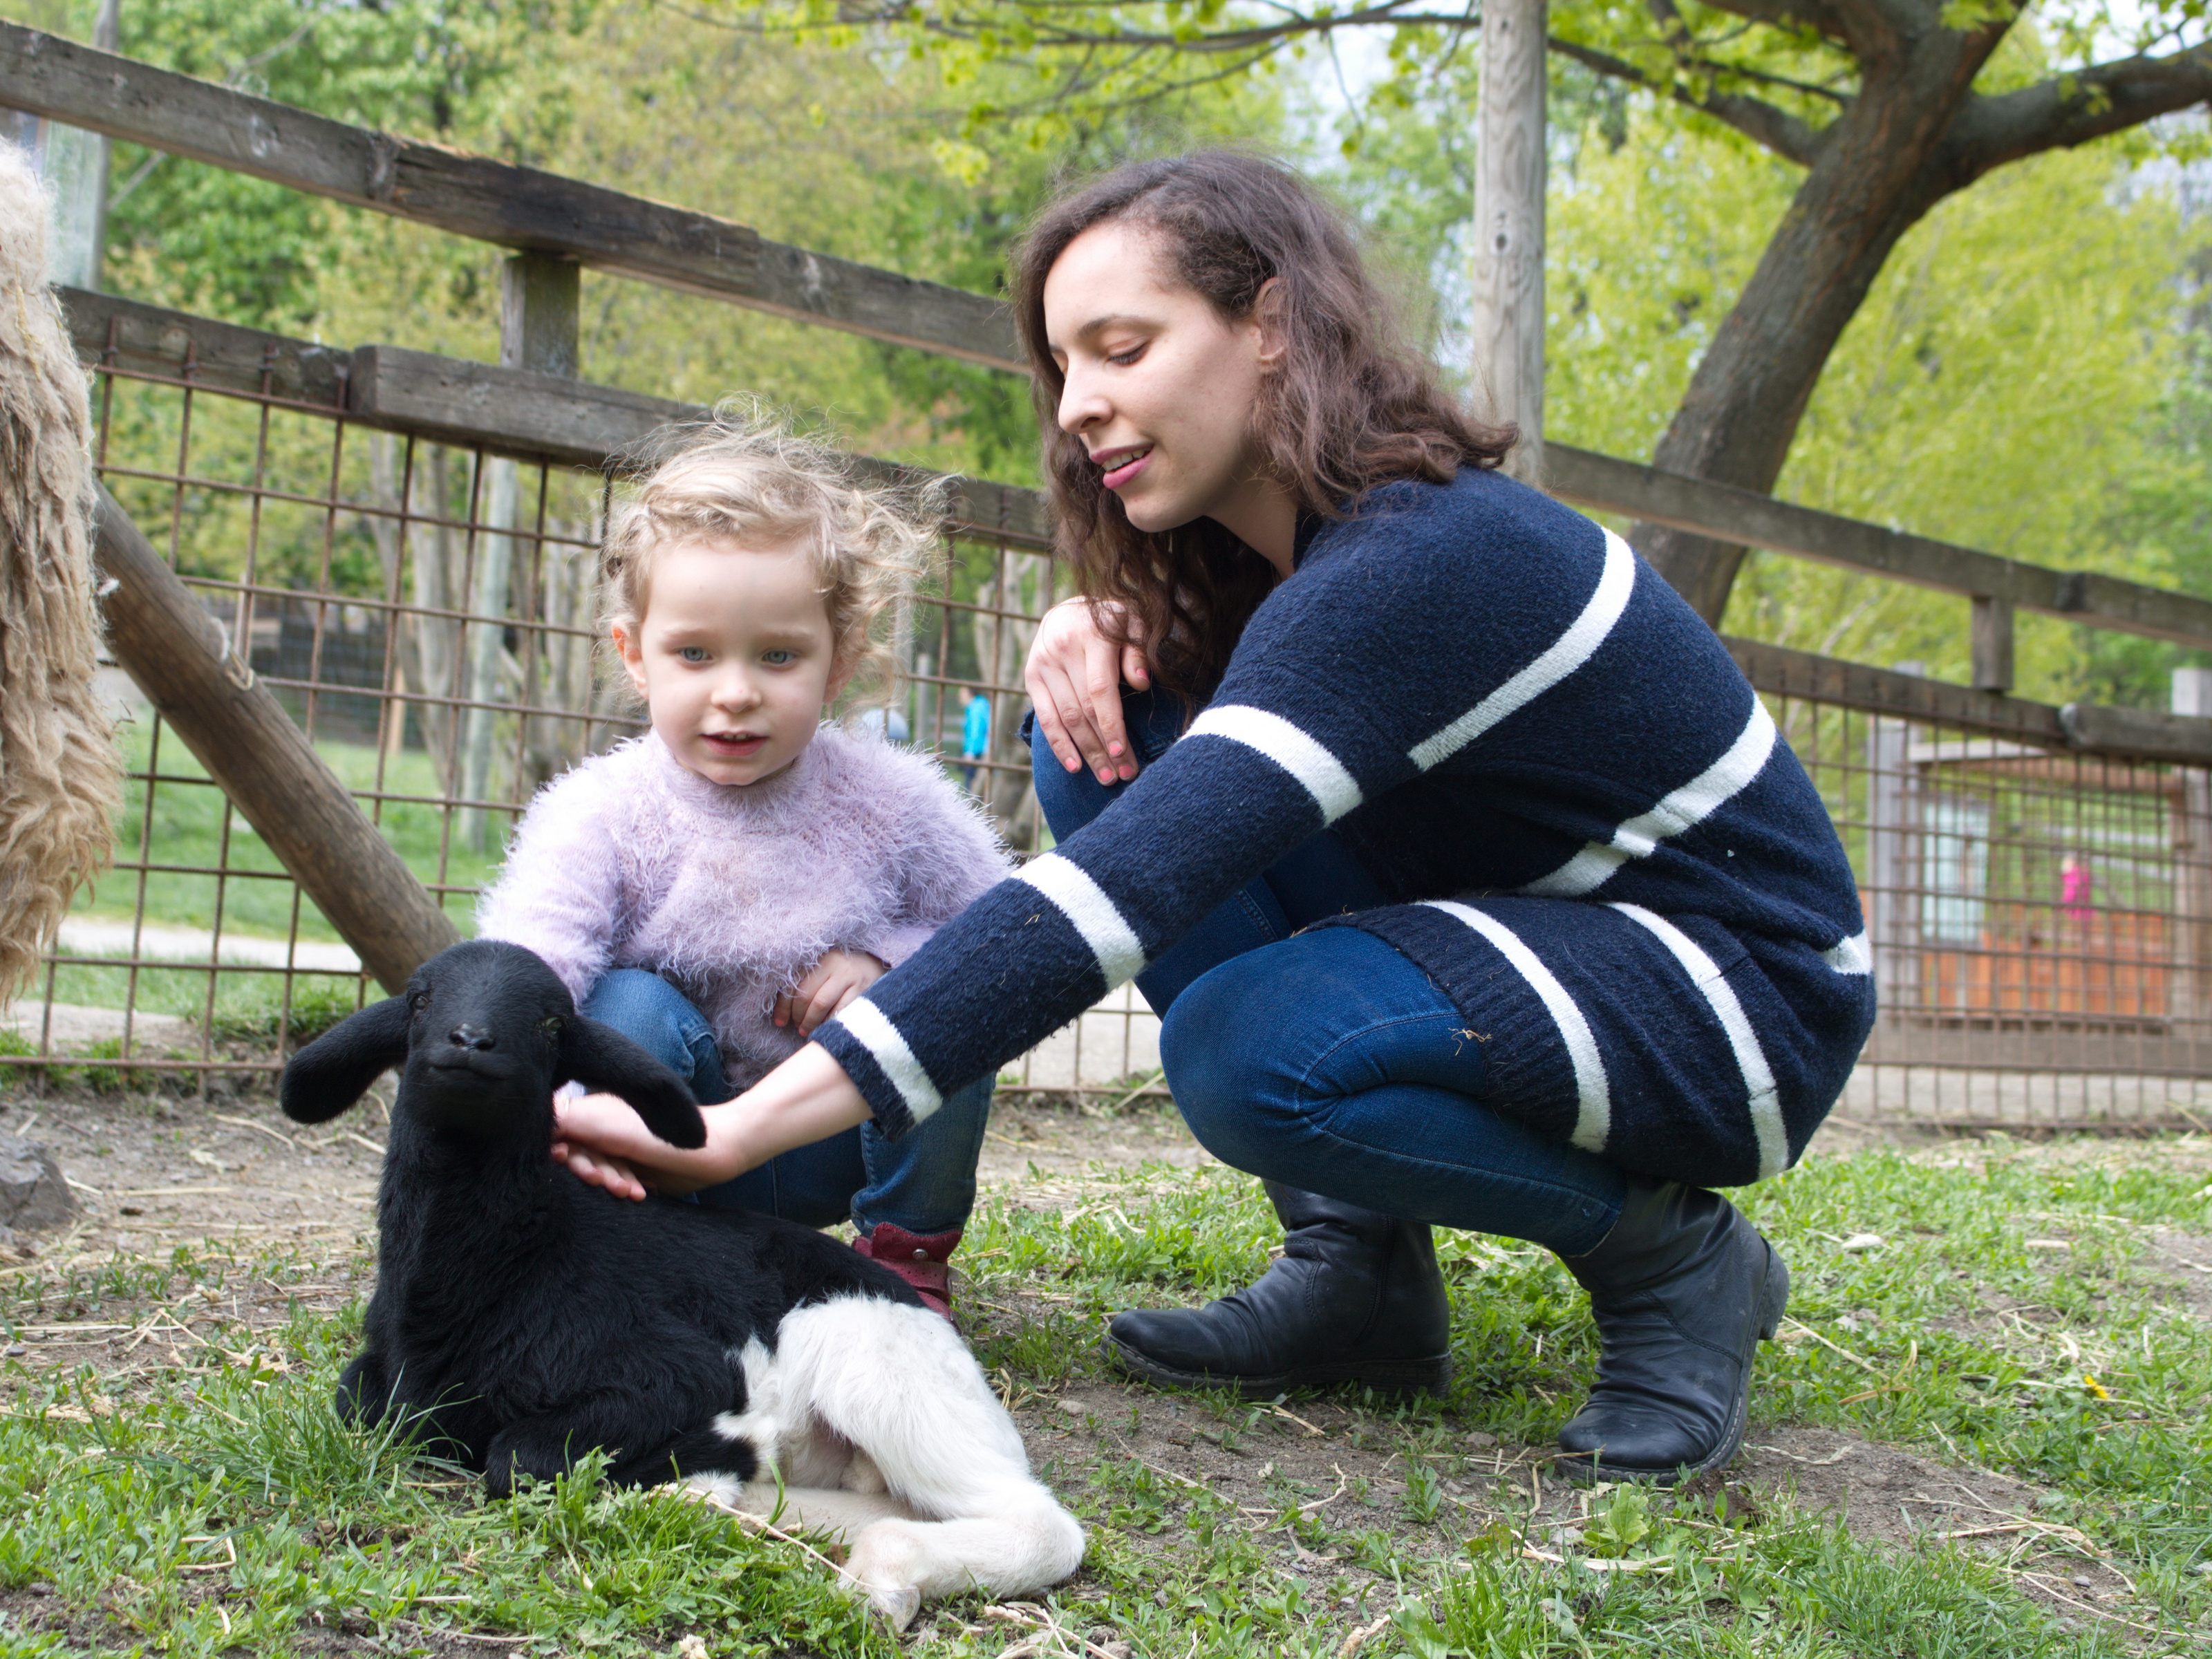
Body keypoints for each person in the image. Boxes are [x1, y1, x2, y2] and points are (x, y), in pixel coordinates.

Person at [552, 153, 1877, 1484]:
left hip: (1738, 995)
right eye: (1063, 366)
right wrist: (1101, 624)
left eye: (1123, 348)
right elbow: (1184, 791)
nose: (1080, 404)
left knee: (1250, 1048)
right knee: (1106, 740)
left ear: (1274, 324)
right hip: (1552, 935)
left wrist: (734, 1132)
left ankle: (1674, 1261)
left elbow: (1119, 894)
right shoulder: (1286, 570)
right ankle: (1359, 1270)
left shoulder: (1424, 561)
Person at [477, 413, 1009, 1315]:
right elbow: (533, 964)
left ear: (838, 661)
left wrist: (889, 961)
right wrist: (521, 1099)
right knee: (625, 1004)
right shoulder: (599, 812)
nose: (735, 692)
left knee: (943, 994)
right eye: (694, 653)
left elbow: (1006, 935)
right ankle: (624, 1248)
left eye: (778, 656)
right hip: (661, 1142)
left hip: (835, 1136)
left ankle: (902, 1260)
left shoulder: (889, 799)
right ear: (634, 655)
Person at [960, 687, 993, 789]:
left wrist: (970, 752)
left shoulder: (976, 709)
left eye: (962, 693)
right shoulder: (980, 706)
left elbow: (976, 731)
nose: (960, 697)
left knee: (970, 785)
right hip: (981, 750)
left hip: (977, 752)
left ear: (969, 694)